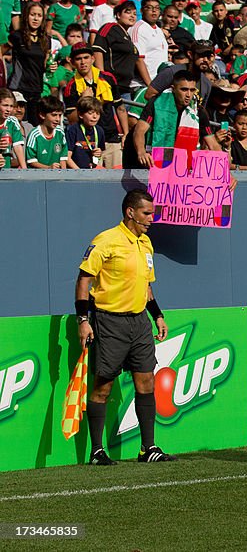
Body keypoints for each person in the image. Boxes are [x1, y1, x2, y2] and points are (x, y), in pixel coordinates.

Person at [75, 189, 176, 465]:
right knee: (103, 386)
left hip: (139, 322)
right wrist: (83, 320)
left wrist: (157, 315)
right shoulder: (106, 241)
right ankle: (97, 451)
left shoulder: (146, 244)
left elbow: (146, 286)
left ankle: (148, 449)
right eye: (146, 213)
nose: (151, 219)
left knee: (146, 381)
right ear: (130, 212)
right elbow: (84, 280)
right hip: (109, 321)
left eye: (152, 214)